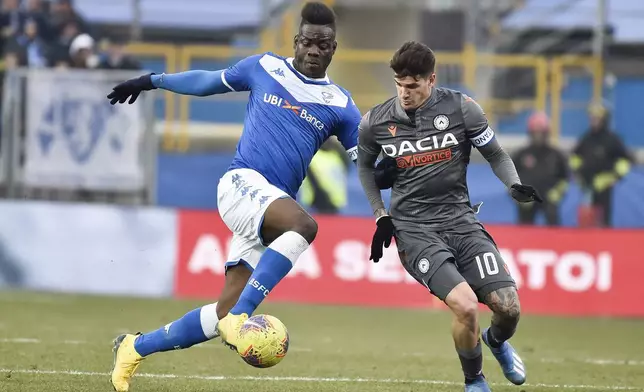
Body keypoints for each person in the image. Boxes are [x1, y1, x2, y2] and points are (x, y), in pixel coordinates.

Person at [106, 3, 361, 391]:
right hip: (241, 185)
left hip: (269, 209)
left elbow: (369, 161)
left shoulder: (341, 105)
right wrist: (152, 80)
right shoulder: (265, 67)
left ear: (334, 49)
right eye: (308, 42)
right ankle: (241, 318)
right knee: (304, 225)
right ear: (296, 42)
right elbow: (208, 81)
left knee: (220, 313)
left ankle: (134, 347)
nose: (314, 50)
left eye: (322, 45)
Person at [357, 41, 542, 392]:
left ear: (431, 80)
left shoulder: (462, 109)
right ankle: (474, 380)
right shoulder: (375, 122)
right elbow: (364, 169)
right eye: (399, 84)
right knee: (466, 306)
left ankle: (497, 341)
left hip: (461, 221)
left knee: (509, 309)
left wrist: (514, 184)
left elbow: (497, 154)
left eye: (412, 86)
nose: (404, 93)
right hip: (414, 230)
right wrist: (380, 214)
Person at [570, 103, 632, 227]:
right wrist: (578, 173)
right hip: (587, 186)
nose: (593, 121)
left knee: (604, 221)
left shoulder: (612, 140)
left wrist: (613, 177)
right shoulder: (586, 138)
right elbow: (575, 157)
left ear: (604, 120)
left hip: (605, 187)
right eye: (591, 118)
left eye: (596, 118)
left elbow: (625, 161)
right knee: (586, 221)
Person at [512, 111, 569, 226]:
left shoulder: (556, 155)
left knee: (553, 225)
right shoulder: (521, 155)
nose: (538, 136)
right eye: (535, 133)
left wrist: (557, 193)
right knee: (524, 230)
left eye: (540, 133)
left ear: (546, 133)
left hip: (549, 198)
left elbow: (565, 179)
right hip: (527, 199)